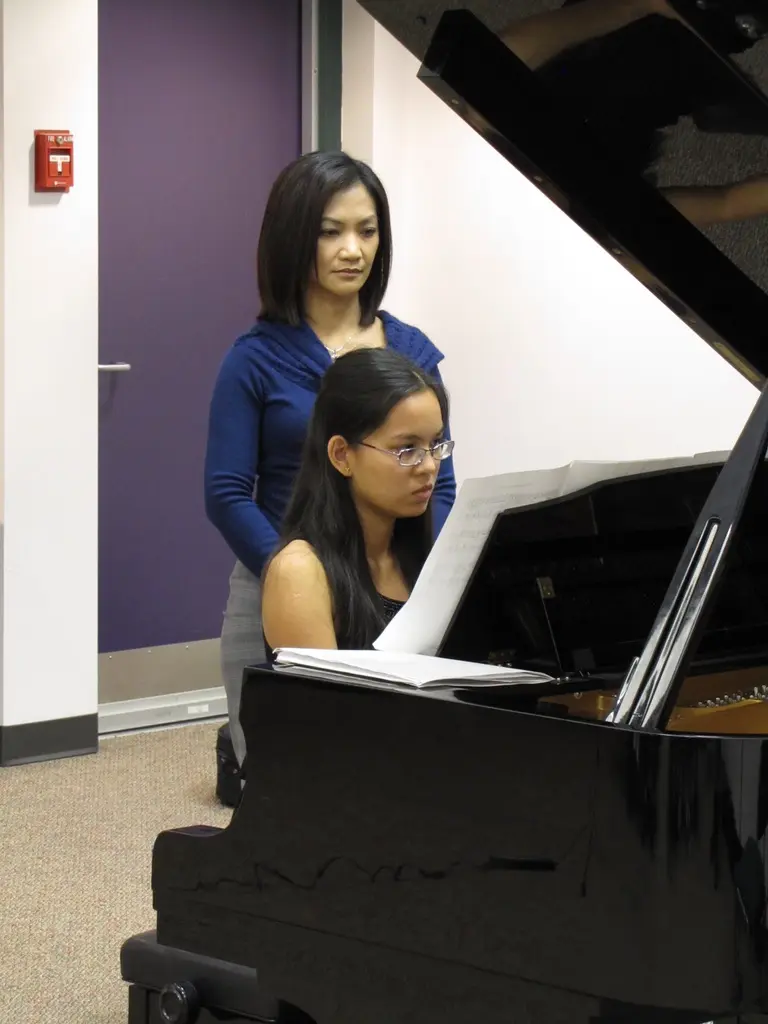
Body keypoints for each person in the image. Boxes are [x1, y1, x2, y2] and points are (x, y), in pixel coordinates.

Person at [204, 151, 456, 792]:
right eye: (330, 231)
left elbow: (441, 478)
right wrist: (301, 576)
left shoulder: (412, 351)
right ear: (295, 238)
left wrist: (424, 577)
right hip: (280, 578)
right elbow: (227, 493)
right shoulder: (254, 358)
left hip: (393, 583)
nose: (353, 250)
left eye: (367, 231)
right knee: (290, 789)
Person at [262, 347, 453, 656]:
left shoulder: (421, 559)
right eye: (407, 449)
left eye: (436, 444)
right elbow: (323, 691)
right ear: (342, 455)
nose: (430, 466)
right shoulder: (300, 572)